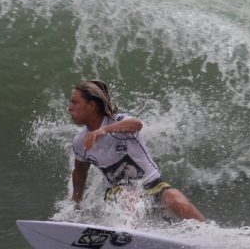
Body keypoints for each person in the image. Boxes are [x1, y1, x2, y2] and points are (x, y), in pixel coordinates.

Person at [68, 80, 206, 222]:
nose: (69, 108)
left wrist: (103, 130)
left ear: (91, 105)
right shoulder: (80, 142)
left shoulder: (118, 121)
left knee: (177, 201)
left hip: (153, 185)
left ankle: (205, 235)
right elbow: (79, 172)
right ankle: (126, 238)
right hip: (117, 193)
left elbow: (136, 124)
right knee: (129, 196)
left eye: (75, 102)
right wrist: (76, 204)